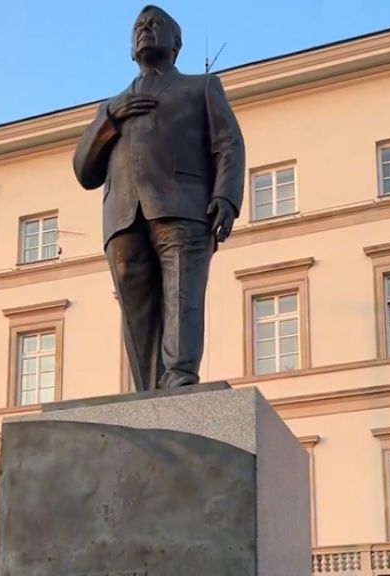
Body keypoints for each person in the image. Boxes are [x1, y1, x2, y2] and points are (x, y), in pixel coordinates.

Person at [72, 4, 245, 391]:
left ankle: (180, 376)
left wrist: (227, 196)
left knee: (182, 294)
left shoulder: (200, 87)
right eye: (139, 26)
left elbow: (228, 144)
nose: (145, 30)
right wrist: (109, 119)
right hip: (122, 218)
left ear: (176, 42)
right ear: (131, 46)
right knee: (135, 308)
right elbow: (84, 170)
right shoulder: (111, 106)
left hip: (183, 206)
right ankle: (148, 389)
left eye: (156, 25)